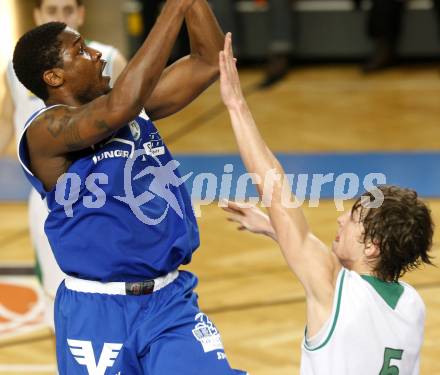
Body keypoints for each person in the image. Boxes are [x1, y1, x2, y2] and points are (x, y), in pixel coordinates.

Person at [13, 0, 246, 373]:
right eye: (81, 52)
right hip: (96, 312)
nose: (97, 56)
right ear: (54, 77)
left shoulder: (131, 106)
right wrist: (171, 11)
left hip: (169, 304)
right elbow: (114, 111)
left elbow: (208, 60)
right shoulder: (45, 132)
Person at [219, 33, 433, 373]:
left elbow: (275, 188)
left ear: (374, 247)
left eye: (353, 219)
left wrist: (236, 105)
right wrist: (277, 230)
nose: (340, 222)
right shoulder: (413, 305)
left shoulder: (335, 289)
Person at [0, 0, 127, 329]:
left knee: (112, 293)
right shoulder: (19, 69)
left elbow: (141, 120)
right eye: (52, 9)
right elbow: (4, 122)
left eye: (68, 10)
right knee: (59, 300)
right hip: (48, 198)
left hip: (104, 195)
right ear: (38, 16)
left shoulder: (109, 60)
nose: (60, 16)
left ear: (81, 15)